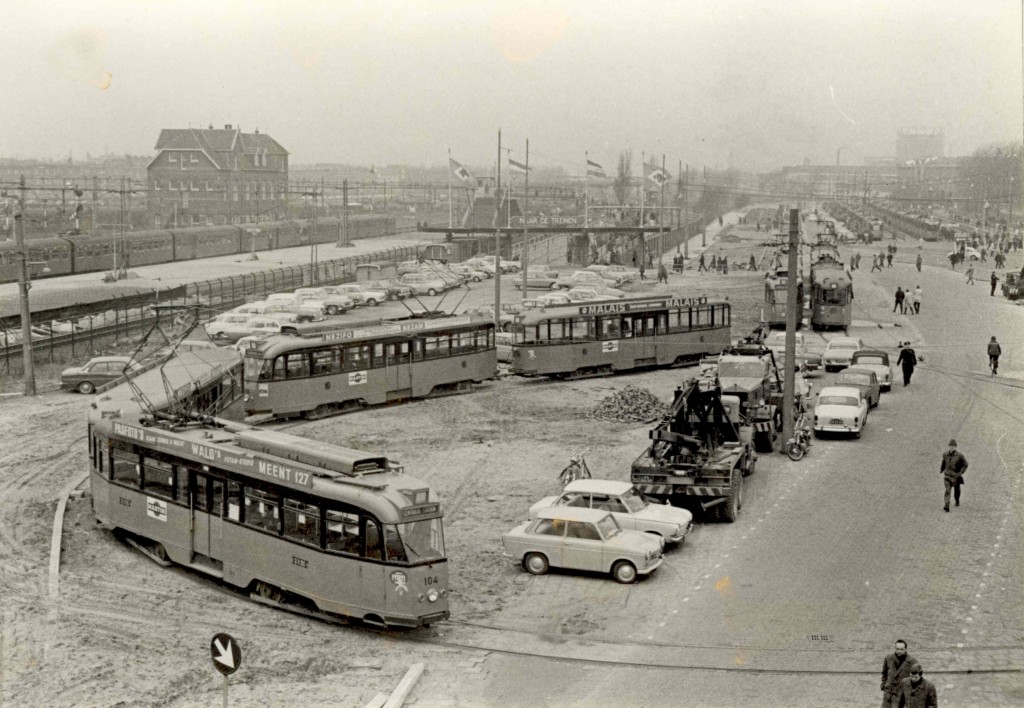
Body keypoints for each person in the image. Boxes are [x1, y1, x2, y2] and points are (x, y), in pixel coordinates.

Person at [881, 639, 917, 708]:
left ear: (906, 649)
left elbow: (916, 678)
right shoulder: (888, 658)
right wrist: (884, 685)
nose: (899, 651)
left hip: (902, 696)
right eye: (897, 649)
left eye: (901, 649)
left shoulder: (912, 662)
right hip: (888, 694)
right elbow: (884, 673)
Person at [941, 439, 968, 512]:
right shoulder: (945, 454)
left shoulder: (960, 456)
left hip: (956, 477)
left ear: (956, 447)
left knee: (957, 491)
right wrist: (941, 469)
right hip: (947, 476)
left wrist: (962, 471)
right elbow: (943, 462)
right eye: (950, 446)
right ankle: (947, 505)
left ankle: (957, 500)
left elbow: (965, 464)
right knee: (947, 490)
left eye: (953, 446)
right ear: (948, 446)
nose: (951, 448)